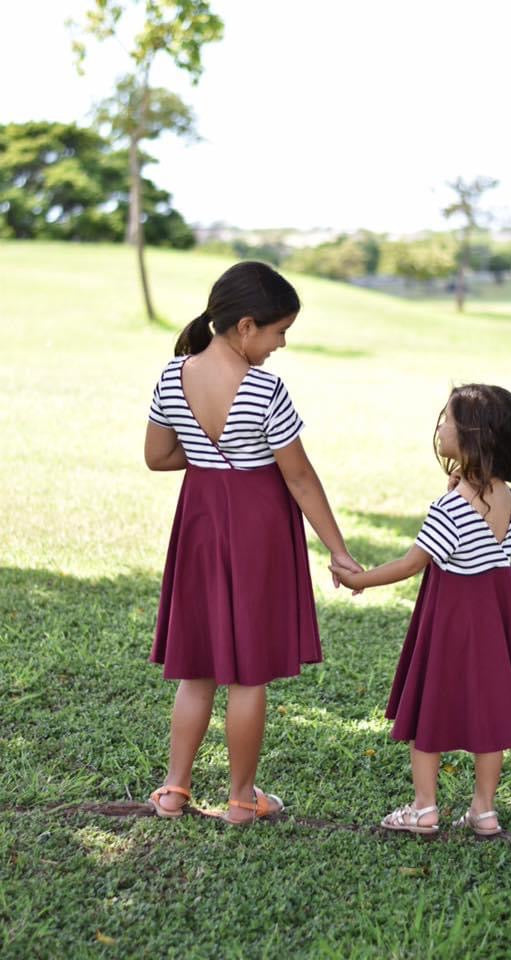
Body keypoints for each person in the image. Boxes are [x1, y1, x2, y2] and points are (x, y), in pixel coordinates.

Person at [144, 261, 360, 824]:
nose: (281, 343)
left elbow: (157, 456)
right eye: (278, 331)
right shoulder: (265, 388)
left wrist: (209, 462)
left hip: (200, 525)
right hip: (258, 529)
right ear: (245, 327)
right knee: (248, 673)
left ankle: (174, 790)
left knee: (198, 669)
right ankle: (242, 799)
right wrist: (338, 549)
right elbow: (299, 477)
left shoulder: (173, 377)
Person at [330, 384, 511, 837]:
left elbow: (412, 563)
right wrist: (459, 483)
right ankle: (484, 810)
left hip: (451, 618)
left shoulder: (449, 506)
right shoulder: (507, 496)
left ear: (471, 438)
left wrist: (359, 579)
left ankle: (424, 807)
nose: (441, 428)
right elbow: (480, 539)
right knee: (489, 712)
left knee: (430, 710)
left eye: (448, 421)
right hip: (494, 617)